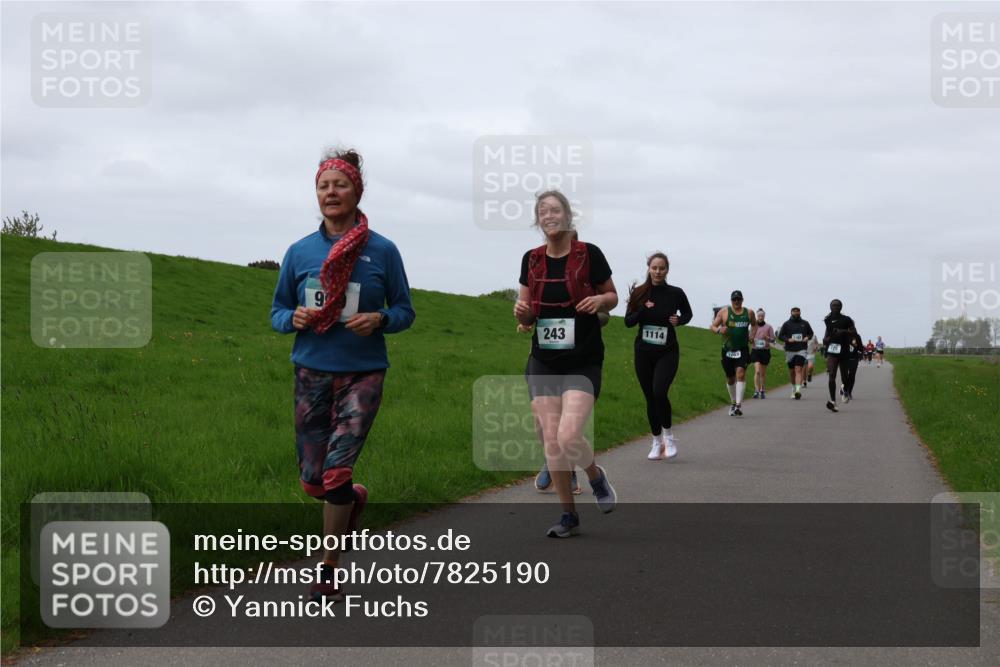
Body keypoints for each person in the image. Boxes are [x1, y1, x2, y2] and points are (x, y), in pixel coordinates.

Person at [270, 148, 416, 601]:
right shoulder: (300, 252)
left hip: (363, 373)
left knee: (336, 472)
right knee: (313, 480)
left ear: (357, 191)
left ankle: (328, 569)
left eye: (340, 184)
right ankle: (353, 499)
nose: (331, 192)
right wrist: (290, 318)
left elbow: (405, 310)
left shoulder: (383, 251)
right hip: (311, 371)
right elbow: (277, 311)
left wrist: (380, 319)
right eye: (323, 186)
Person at [514, 190, 618, 538]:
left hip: (583, 358)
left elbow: (612, 296)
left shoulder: (589, 254)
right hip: (544, 359)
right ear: (537, 219)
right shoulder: (531, 259)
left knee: (568, 434)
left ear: (567, 215)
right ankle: (568, 515)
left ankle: (595, 476)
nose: (549, 215)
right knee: (551, 439)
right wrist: (522, 313)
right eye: (542, 211)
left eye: (555, 210)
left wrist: (599, 300)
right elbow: (526, 312)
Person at [624, 252, 693, 460]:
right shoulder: (640, 292)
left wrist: (679, 320)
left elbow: (688, 314)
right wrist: (641, 311)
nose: (658, 272)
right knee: (650, 397)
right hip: (643, 353)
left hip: (667, 351)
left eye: (662, 268)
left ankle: (669, 437)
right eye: (654, 268)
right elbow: (628, 322)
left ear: (667, 270)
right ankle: (656, 441)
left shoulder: (675, 293)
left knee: (659, 391)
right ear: (649, 268)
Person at [710, 291, 757, 416]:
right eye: (734, 299)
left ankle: (738, 405)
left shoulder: (749, 313)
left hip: (742, 349)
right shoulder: (724, 312)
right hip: (728, 350)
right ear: (731, 301)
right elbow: (712, 326)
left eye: (738, 299)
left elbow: (754, 325)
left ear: (742, 300)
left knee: (740, 374)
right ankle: (733, 402)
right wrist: (719, 330)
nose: (736, 301)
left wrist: (752, 335)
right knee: (730, 378)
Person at [822, 299, 856, 413]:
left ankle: (845, 389)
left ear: (841, 307)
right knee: (832, 374)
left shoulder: (847, 319)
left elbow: (854, 333)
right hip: (832, 350)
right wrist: (826, 340)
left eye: (837, 305)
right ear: (830, 307)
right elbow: (826, 335)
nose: (835, 307)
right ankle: (833, 401)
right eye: (833, 305)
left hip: (844, 350)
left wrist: (843, 331)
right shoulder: (827, 319)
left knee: (844, 377)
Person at [777, 307, 814, 400]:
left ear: (800, 313)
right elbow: (780, 336)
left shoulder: (805, 323)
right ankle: (793, 389)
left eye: (798, 311)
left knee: (798, 369)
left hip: (801, 349)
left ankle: (798, 391)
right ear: (791, 313)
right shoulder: (786, 324)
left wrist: (807, 337)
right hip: (790, 350)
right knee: (792, 372)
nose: (796, 313)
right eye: (794, 311)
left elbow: (811, 333)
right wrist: (788, 339)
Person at [750, 308, 775, 399]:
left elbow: (773, 340)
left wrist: (767, 338)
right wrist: (751, 339)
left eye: (762, 316)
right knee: (757, 371)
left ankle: (762, 389)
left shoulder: (769, 327)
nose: (760, 317)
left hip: (765, 351)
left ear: (764, 317)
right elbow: (750, 338)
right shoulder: (753, 326)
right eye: (759, 316)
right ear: (757, 316)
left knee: (762, 373)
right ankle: (756, 391)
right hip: (755, 351)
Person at [841, 329, 864, 402]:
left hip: (854, 358)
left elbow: (861, 348)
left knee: (852, 375)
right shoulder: (842, 335)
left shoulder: (857, 336)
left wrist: (857, 348)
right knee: (845, 375)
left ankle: (849, 392)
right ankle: (844, 388)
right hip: (844, 358)